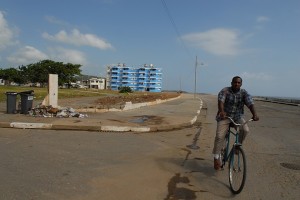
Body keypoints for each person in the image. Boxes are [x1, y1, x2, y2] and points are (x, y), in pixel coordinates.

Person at [212, 76, 259, 170]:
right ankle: (216, 157)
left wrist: (255, 114)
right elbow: (221, 101)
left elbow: (250, 103)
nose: (236, 84)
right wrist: (221, 111)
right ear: (231, 83)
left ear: (241, 84)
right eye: (235, 82)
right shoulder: (225, 90)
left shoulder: (244, 93)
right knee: (219, 136)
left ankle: (237, 147)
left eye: (238, 83)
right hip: (224, 116)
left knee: (245, 130)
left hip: (237, 117)